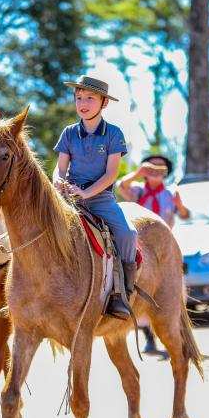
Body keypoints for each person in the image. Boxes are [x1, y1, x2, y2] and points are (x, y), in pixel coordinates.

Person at [53, 75, 137, 320]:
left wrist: (87, 193)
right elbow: (60, 168)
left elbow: (111, 174)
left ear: (104, 103)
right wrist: (58, 180)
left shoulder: (113, 133)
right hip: (69, 197)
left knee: (128, 234)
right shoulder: (69, 132)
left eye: (90, 98)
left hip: (100, 199)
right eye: (79, 98)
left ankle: (123, 293)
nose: (83, 103)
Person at [118, 155, 190, 353]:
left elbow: (185, 215)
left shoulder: (170, 193)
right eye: (152, 168)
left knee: (170, 294)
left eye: (160, 168)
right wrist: (137, 174)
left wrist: (180, 205)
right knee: (143, 292)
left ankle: (176, 334)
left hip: (165, 250)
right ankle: (149, 337)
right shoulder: (138, 191)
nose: (156, 172)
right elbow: (121, 186)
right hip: (144, 250)